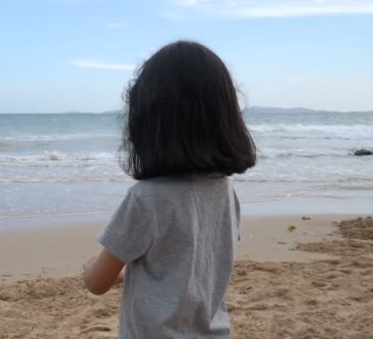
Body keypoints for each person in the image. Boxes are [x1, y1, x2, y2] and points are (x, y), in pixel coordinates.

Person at [82, 40, 257, 338]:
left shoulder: (146, 198)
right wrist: (134, 277)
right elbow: (190, 268)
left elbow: (97, 283)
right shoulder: (224, 190)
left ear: (147, 121)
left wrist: (89, 268)